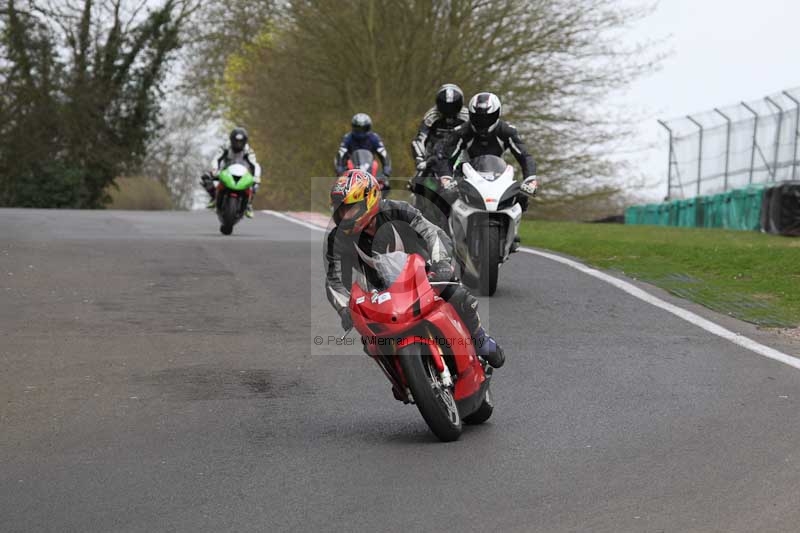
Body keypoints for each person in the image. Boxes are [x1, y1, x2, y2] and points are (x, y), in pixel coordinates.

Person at [325, 169, 504, 369]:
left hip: (425, 275)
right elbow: (335, 280)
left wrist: (441, 263)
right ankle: (402, 378)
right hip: (381, 295)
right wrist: (345, 309)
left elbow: (432, 232)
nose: (345, 215)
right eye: (341, 210)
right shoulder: (338, 238)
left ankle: (481, 340)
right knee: (371, 342)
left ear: (370, 198)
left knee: (457, 294)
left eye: (351, 208)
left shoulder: (398, 210)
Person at [201, 127, 262, 218]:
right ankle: (214, 197)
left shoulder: (248, 150)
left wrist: (256, 176)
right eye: (236, 141)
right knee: (205, 177)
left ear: (245, 141)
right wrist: (215, 169)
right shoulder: (225, 147)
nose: (238, 144)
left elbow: (255, 164)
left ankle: (249, 204)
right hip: (226, 171)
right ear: (231, 140)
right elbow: (216, 159)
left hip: (242, 173)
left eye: (240, 142)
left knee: (255, 184)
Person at [334, 113, 392, 191]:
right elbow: (341, 154)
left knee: (385, 185)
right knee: (339, 188)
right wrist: (340, 170)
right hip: (352, 169)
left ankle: (380, 200)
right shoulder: (348, 138)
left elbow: (384, 155)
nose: (360, 132)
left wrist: (386, 171)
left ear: (368, 127)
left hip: (371, 169)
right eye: (358, 129)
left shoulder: (374, 138)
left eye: (363, 129)